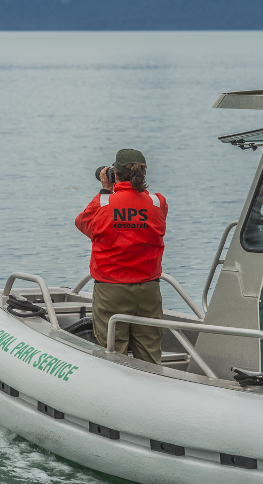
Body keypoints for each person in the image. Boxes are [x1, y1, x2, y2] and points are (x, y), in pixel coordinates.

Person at [75, 149, 168, 364]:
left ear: (114, 174)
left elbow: (84, 224)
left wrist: (106, 190)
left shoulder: (103, 203)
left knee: (113, 355)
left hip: (111, 290)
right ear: (143, 173)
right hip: (149, 289)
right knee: (150, 354)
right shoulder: (158, 203)